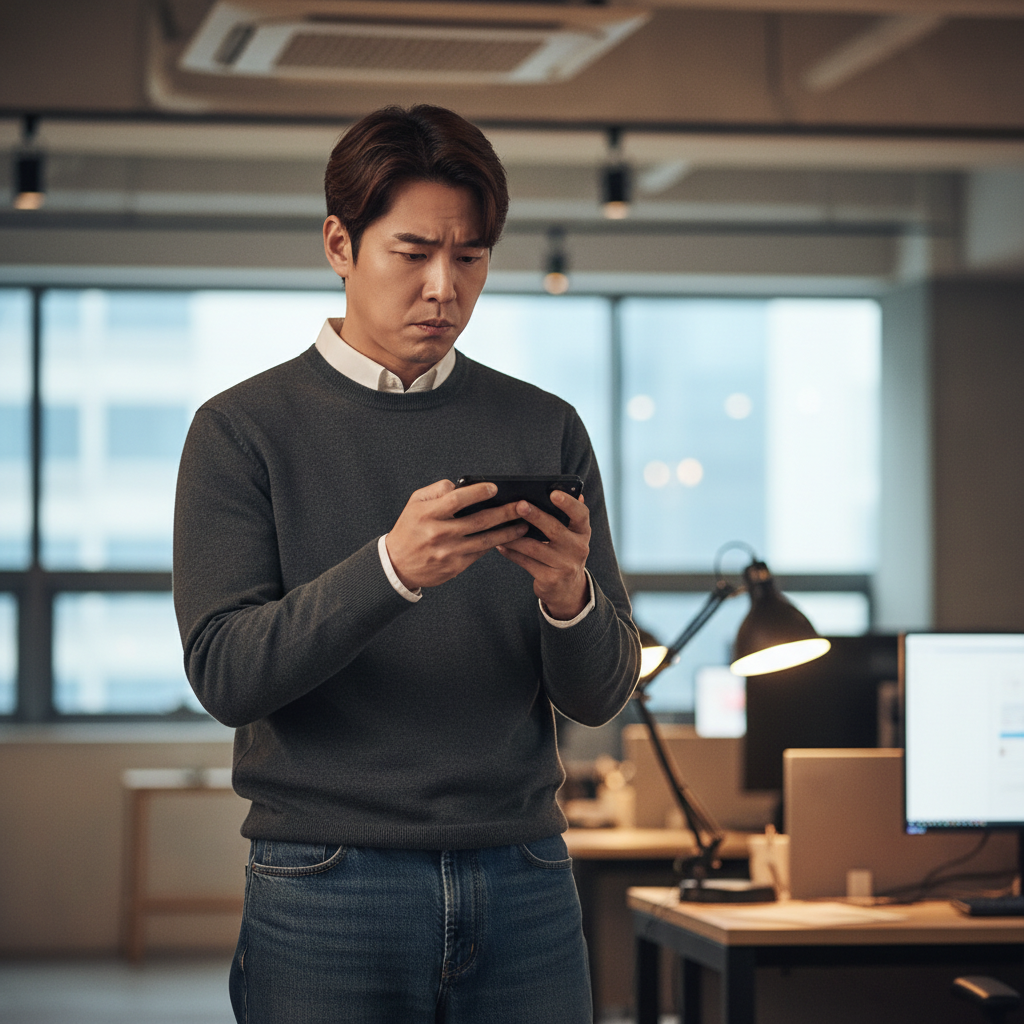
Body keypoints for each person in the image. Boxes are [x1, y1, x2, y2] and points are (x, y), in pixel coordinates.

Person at [173, 104, 640, 1024]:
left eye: (470, 257)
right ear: (339, 245)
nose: (443, 288)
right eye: (413, 252)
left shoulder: (546, 427)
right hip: (325, 880)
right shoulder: (240, 431)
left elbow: (599, 696)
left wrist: (567, 596)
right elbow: (226, 675)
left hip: (526, 874)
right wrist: (391, 570)